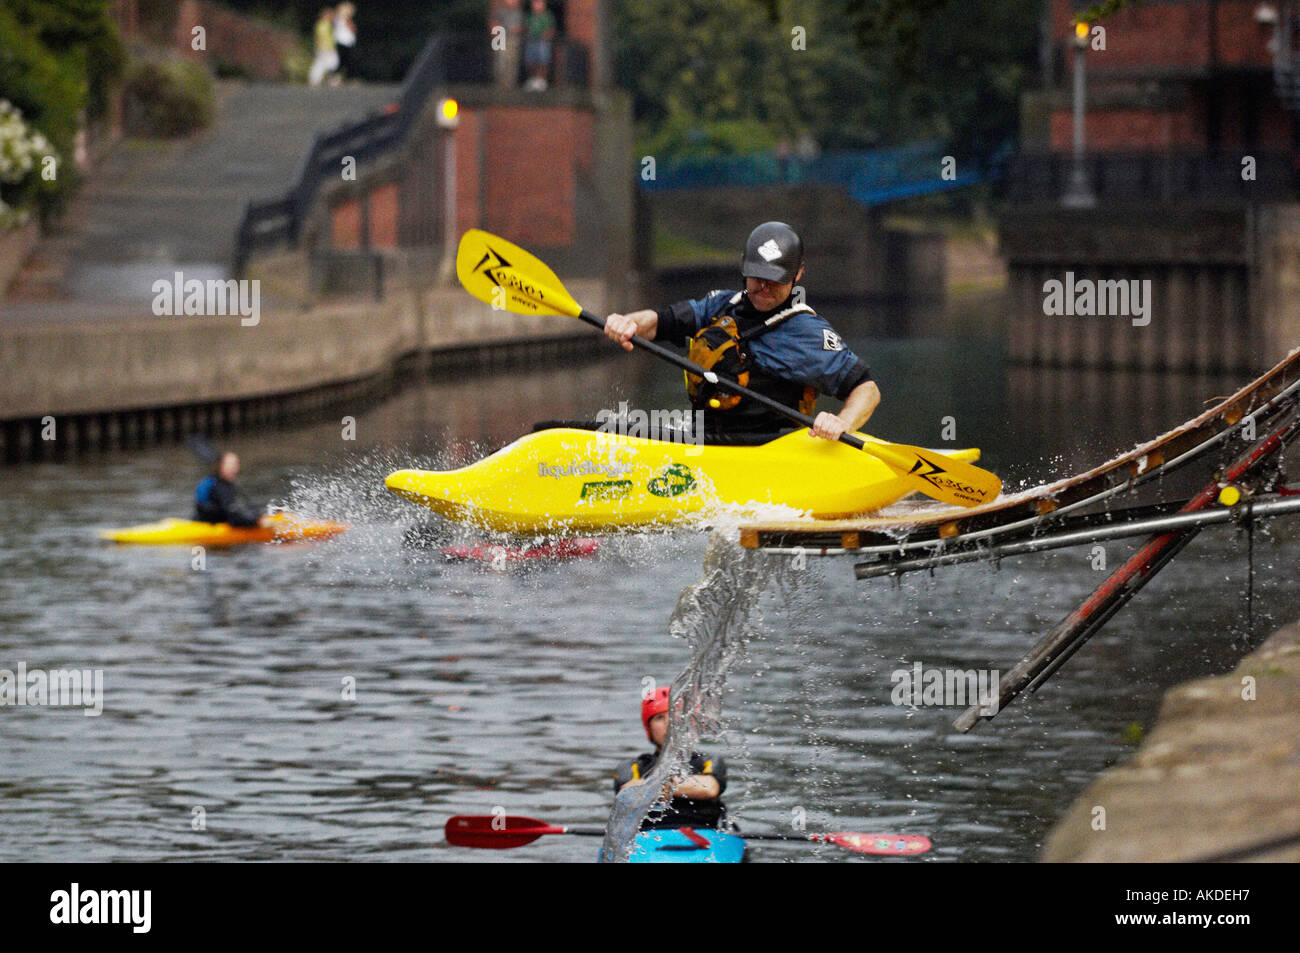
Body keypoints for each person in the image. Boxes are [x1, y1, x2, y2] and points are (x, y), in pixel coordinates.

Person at [603, 222, 881, 443]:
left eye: (775, 280)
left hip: (769, 453)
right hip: (707, 446)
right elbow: (661, 322)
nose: (764, 288)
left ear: (797, 275)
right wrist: (628, 323)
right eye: (757, 277)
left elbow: (867, 388)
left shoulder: (807, 332)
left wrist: (842, 423)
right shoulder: (723, 305)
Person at [614, 687, 727, 831]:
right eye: (659, 718)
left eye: (676, 716)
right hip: (648, 839)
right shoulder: (632, 767)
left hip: (702, 837)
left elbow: (710, 789)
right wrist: (686, 787)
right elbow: (628, 793)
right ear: (649, 728)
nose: (669, 724)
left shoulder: (708, 761)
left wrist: (652, 787)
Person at [194, 453, 269, 528]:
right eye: (231, 465)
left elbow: (243, 507)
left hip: (210, 521)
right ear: (221, 466)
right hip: (210, 526)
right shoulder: (219, 487)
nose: (234, 469)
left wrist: (259, 516)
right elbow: (233, 519)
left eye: (236, 465)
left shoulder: (225, 484)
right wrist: (256, 523)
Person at [522, 0, 556, 91]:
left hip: (543, 42)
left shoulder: (547, 16)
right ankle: (532, 80)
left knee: (543, 60)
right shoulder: (529, 16)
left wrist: (546, 35)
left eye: (540, 3)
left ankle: (541, 80)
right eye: (535, 3)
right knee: (530, 60)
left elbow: (551, 30)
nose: (537, 6)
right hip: (531, 41)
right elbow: (525, 28)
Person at [492, 0, 524, 89]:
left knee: (512, 61)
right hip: (501, 38)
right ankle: (499, 84)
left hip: (513, 39)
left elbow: (520, 27)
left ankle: (510, 85)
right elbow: (495, 25)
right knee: (501, 62)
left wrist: (516, 30)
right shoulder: (500, 12)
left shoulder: (518, 13)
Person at [308, 7, 338, 88]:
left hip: (330, 48)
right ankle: (314, 80)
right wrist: (319, 48)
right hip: (324, 48)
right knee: (320, 64)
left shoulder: (328, 24)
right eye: (330, 15)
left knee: (332, 63)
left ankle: (330, 81)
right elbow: (319, 37)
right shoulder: (322, 25)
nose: (332, 16)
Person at [333, 3, 357, 82]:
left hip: (348, 43)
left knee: (348, 61)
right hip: (342, 43)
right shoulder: (341, 19)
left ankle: (348, 78)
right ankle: (336, 78)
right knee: (343, 61)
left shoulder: (343, 19)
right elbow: (352, 28)